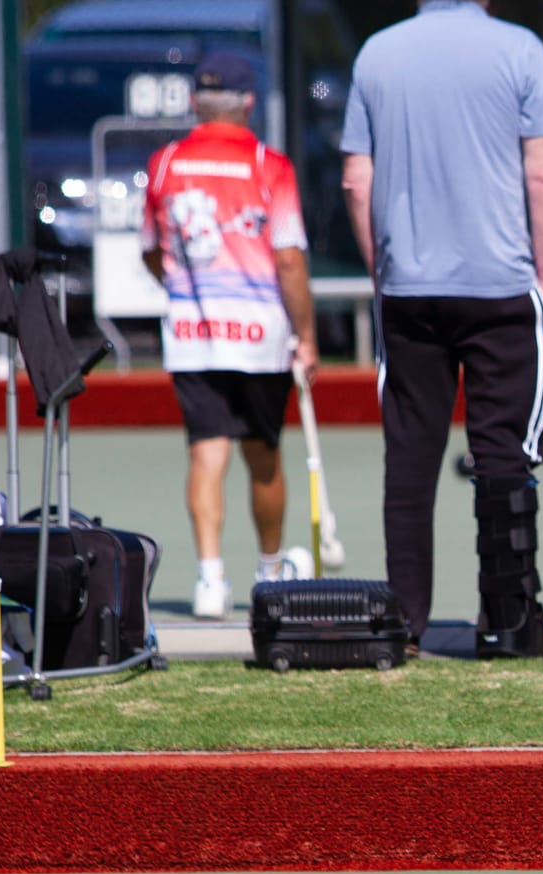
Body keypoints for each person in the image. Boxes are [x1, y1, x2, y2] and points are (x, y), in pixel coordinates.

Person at [341, 0, 543, 657]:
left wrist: (382, 270)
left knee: (409, 461)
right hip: (500, 279)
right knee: (504, 454)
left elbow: (358, 182)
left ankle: (404, 623)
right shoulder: (520, 49)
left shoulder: (377, 52)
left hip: (410, 287)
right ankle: (507, 620)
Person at [141, 53, 318, 619]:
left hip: (193, 334)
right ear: (248, 102)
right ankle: (268, 573)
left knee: (206, 451)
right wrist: (306, 334)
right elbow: (289, 260)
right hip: (261, 337)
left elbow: (152, 250)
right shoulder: (270, 164)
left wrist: (183, 290)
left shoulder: (166, 162)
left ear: (194, 101)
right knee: (263, 456)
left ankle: (210, 579)